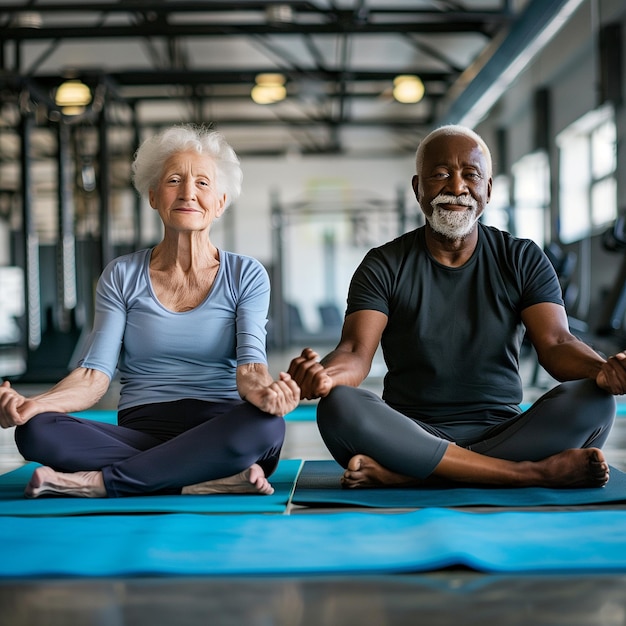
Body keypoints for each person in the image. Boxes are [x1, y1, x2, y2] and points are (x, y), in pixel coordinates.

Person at [288, 124, 626, 490]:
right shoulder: (383, 264)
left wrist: (603, 369)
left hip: (503, 430)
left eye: (470, 175)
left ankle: (410, 474)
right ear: (419, 188)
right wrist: (326, 377)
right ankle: (527, 473)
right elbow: (354, 351)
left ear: (488, 190)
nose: (456, 187)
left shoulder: (522, 257)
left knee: (596, 399)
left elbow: (557, 344)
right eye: (440, 174)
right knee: (339, 405)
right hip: (409, 431)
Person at [0, 124, 300, 498]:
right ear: (154, 196)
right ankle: (204, 475)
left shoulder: (246, 274)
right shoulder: (122, 274)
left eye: (203, 183)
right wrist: (32, 405)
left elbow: (251, 370)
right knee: (36, 431)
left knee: (266, 427)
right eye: (175, 180)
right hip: (141, 425)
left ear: (221, 202)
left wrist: (269, 396)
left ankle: (102, 482)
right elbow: (94, 376)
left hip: (221, 423)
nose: (188, 193)